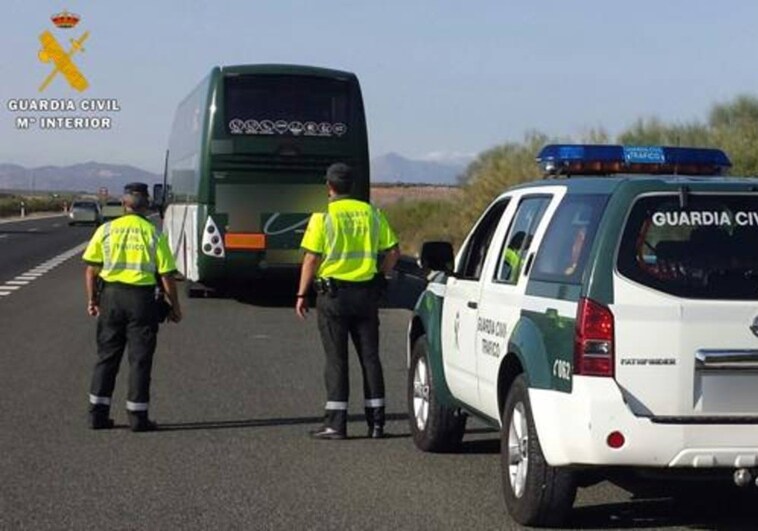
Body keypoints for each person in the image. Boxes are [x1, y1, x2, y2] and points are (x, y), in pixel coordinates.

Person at [296, 163, 400, 440]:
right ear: (352, 186)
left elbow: (311, 258)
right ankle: (377, 424)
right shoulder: (372, 214)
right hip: (366, 295)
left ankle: (335, 424)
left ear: (329, 186)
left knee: (337, 360)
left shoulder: (323, 217)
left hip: (334, 297)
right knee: (370, 358)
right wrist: (380, 276)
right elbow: (393, 252)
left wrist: (301, 294)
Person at [82, 182, 182, 432]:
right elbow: (167, 274)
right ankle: (138, 418)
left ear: (124, 204)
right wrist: (174, 306)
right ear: (146, 204)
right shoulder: (153, 234)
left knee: (107, 357)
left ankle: (97, 415)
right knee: (140, 359)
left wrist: (93, 300)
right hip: (142, 301)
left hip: (111, 298)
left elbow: (91, 270)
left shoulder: (106, 230)